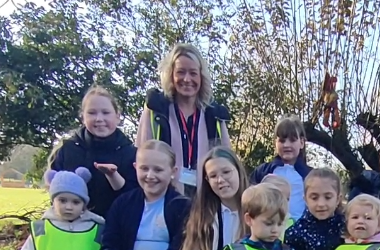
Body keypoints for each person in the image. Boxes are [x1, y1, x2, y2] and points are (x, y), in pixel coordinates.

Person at [136, 43, 231, 198]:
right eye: (181, 72)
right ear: (171, 75)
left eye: (193, 73)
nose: (187, 79)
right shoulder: (156, 109)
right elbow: (142, 154)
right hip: (163, 198)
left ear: (201, 77)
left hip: (205, 200)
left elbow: (228, 162)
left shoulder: (214, 115)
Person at [49, 86, 138, 218]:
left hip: (115, 229)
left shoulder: (132, 153)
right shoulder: (67, 150)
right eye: (92, 113)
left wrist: (114, 176)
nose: (99, 119)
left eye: (106, 112)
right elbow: (54, 192)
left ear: (117, 117)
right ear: (83, 118)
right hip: (73, 228)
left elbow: (135, 197)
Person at [250, 116, 311, 221]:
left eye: (292, 140)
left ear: (301, 142)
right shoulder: (263, 171)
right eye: (282, 141)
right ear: (275, 143)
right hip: (269, 229)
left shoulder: (310, 175)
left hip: (300, 230)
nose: (287, 145)